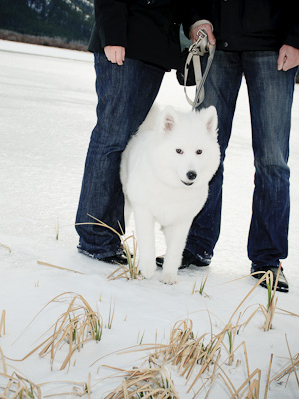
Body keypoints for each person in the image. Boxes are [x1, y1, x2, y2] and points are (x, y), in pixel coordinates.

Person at [176, 1, 299, 291]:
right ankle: (196, 245)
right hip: (217, 44)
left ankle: (268, 260)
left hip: (274, 47)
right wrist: (197, 18)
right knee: (204, 154)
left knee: (272, 161)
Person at [75, 0, 182, 264]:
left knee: (125, 145)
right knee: (111, 139)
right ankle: (94, 237)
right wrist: (112, 35)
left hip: (153, 51)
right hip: (124, 44)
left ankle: (108, 234)